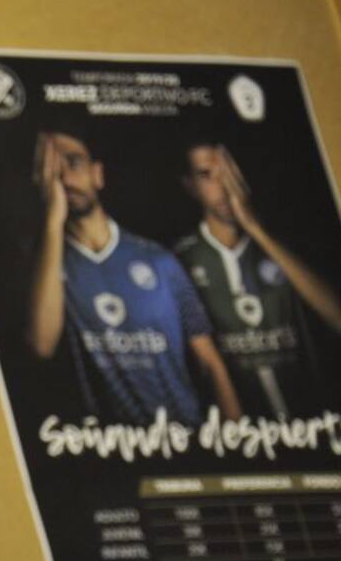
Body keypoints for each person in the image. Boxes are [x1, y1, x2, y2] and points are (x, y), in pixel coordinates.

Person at [26, 128, 241, 426]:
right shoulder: (44, 270)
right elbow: (42, 344)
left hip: (186, 433)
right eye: (50, 169)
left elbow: (210, 363)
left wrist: (237, 436)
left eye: (72, 162)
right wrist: (53, 221)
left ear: (97, 174)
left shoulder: (159, 259)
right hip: (113, 444)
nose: (63, 177)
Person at [173, 141, 341, 416]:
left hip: (314, 420)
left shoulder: (286, 245)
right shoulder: (180, 260)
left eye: (229, 171)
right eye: (207, 175)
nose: (224, 185)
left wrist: (256, 229)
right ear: (190, 185)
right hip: (243, 431)